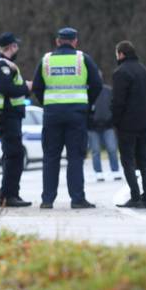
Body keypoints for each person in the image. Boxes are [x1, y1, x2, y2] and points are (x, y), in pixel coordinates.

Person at [32, 27, 103, 209]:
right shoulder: (83, 59)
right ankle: (77, 199)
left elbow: (37, 87)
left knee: (50, 158)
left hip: (52, 115)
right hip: (77, 116)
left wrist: (48, 104)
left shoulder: (46, 60)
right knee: (75, 158)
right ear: (75, 41)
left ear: (57, 41)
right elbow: (97, 84)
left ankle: (47, 200)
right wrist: (86, 103)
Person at [0, 32, 32, 207]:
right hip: (6, 115)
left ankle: (10, 194)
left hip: (8, 115)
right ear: (11, 47)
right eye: (16, 46)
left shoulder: (6, 65)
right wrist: (26, 87)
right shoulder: (1, 65)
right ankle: (8, 196)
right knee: (15, 154)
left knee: (13, 154)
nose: (18, 49)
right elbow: (7, 88)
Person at [111, 40, 146, 208]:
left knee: (128, 161)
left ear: (121, 54)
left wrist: (114, 121)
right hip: (145, 124)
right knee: (143, 160)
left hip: (128, 125)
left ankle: (135, 196)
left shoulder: (121, 73)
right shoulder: (145, 71)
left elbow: (118, 102)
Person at [87, 82, 121, 182]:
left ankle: (115, 171)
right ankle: (99, 174)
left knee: (112, 149)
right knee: (95, 151)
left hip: (108, 126)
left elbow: (114, 106)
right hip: (93, 128)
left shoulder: (108, 91)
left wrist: (112, 120)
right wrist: (89, 122)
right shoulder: (88, 91)